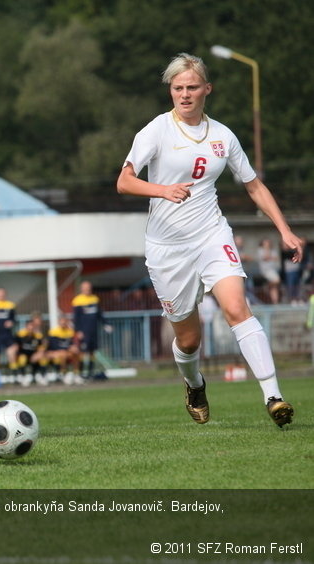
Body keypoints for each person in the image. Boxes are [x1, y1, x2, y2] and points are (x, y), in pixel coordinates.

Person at [116, 52, 302, 428]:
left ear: (207, 90)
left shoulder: (222, 135)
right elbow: (124, 181)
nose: (184, 95)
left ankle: (273, 396)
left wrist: (284, 229)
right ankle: (194, 383)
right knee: (188, 339)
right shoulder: (156, 130)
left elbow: (253, 185)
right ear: (171, 91)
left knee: (237, 308)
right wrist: (162, 190)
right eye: (177, 88)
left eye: (192, 87)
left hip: (212, 234)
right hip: (167, 249)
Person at [72, 280, 112, 380]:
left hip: (93, 331)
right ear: (82, 289)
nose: (87, 290)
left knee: (92, 352)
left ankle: (90, 372)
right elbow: (76, 318)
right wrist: (78, 331)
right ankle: (80, 373)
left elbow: (99, 314)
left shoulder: (94, 299)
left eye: (89, 288)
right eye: (85, 288)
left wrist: (106, 324)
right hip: (84, 332)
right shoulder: (77, 300)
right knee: (82, 352)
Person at [10, 314, 48, 386]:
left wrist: (38, 354)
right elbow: (15, 346)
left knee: (42, 358)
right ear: (26, 326)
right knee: (22, 359)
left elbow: (41, 348)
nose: (31, 328)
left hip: (33, 355)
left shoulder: (38, 336)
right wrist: (15, 354)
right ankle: (22, 377)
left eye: (32, 326)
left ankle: (42, 377)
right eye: (29, 326)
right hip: (23, 355)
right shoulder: (20, 335)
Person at [44, 315, 81, 384]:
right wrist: (67, 349)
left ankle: (76, 374)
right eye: (62, 322)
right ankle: (63, 374)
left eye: (65, 322)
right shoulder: (54, 332)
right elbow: (54, 346)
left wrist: (73, 347)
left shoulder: (71, 332)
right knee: (63, 353)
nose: (63, 324)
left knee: (76, 352)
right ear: (59, 322)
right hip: (55, 352)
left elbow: (72, 344)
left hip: (66, 351)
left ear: (67, 322)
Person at [257, 238, 281, 304]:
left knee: (274, 288)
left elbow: (276, 258)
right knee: (277, 280)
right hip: (266, 271)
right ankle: (267, 286)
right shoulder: (260, 250)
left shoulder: (273, 250)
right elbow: (265, 257)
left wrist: (270, 257)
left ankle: (275, 302)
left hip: (273, 270)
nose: (267, 244)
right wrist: (267, 251)